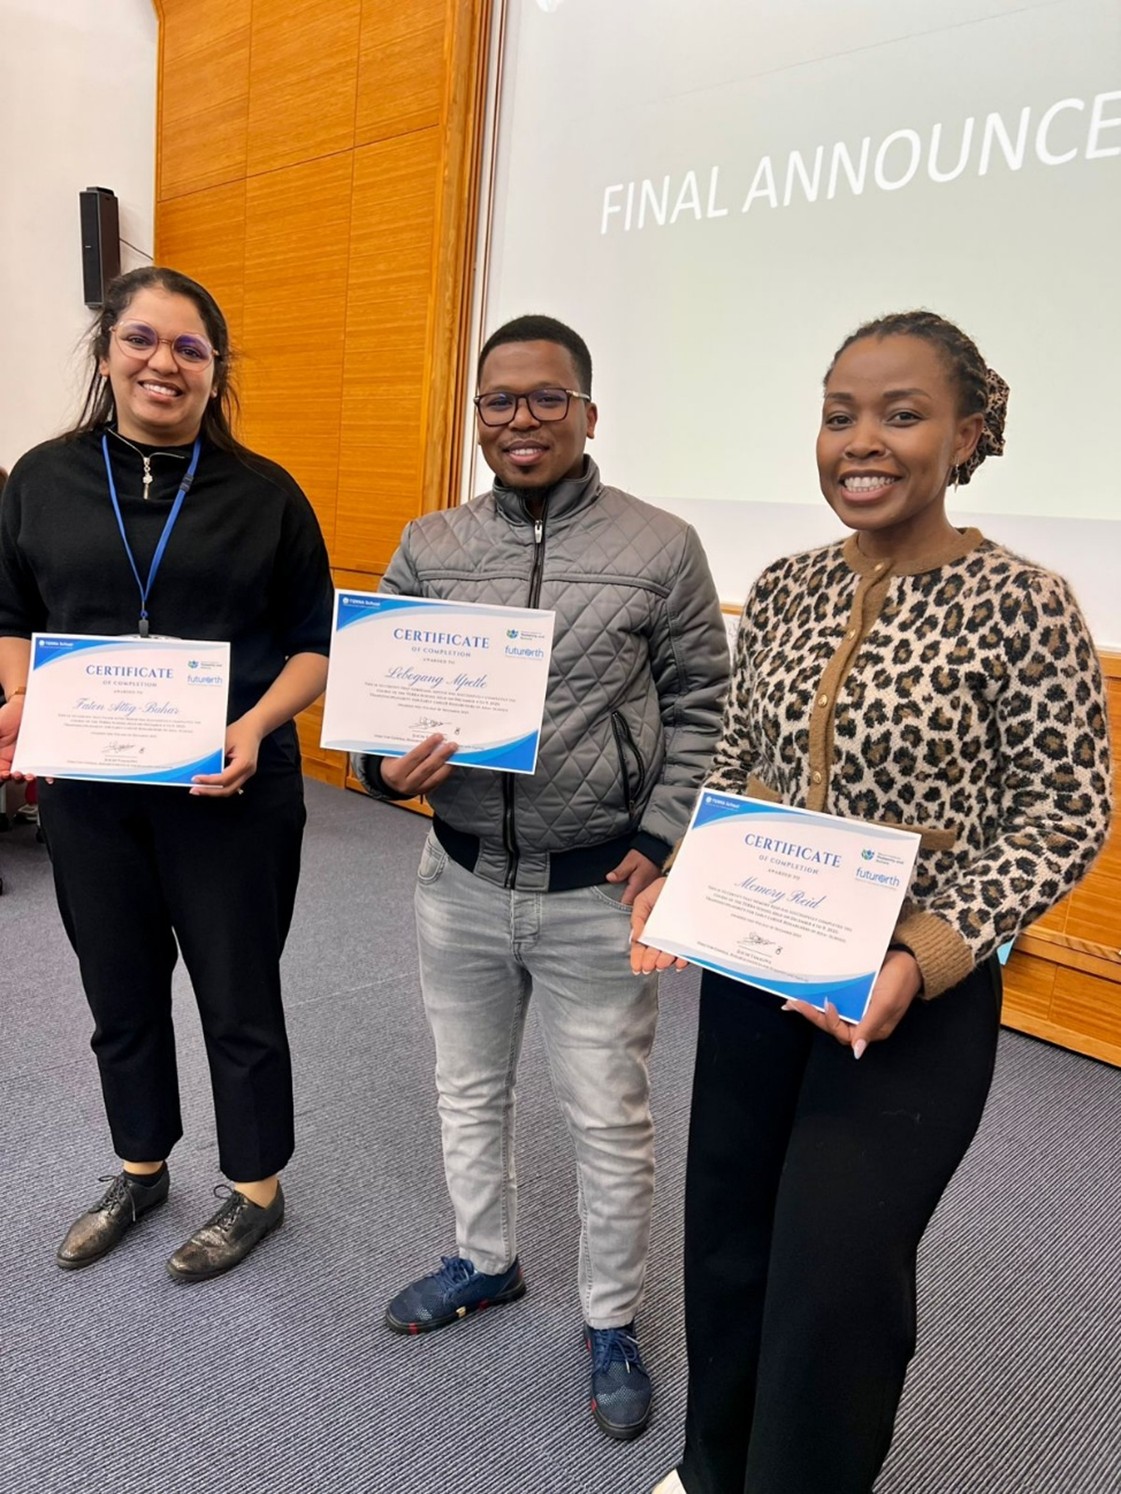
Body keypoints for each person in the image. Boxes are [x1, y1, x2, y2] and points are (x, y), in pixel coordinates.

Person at [634, 310, 1113, 1494]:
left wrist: (921, 955)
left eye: (900, 414)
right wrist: (679, 879)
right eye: (838, 412)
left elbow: (1062, 813)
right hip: (757, 973)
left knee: (835, 1280)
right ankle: (710, 1470)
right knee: (730, 1244)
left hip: (912, 1000)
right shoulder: (786, 584)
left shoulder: (1024, 601)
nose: (862, 440)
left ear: (965, 435)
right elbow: (731, 759)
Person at [354, 314, 729, 1439]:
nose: (519, 420)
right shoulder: (429, 545)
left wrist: (660, 840)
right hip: (460, 875)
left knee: (608, 1118)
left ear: (587, 413)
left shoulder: (660, 546)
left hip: (593, 892)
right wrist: (383, 768)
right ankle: (483, 1260)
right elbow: (375, 714)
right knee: (466, 1090)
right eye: (497, 403)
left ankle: (609, 1319)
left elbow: (708, 710)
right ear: (476, 420)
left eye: (543, 399)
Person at [0, 267, 333, 1282]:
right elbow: (12, 617)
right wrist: (20, 705)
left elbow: (314, 645)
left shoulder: (266, 493)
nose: (164, 363)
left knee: (238, 994)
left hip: (229, 793)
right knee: (121, 989)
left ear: (214, 372)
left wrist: (255, 725)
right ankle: (140, 1168)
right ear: (107, 353)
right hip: (92, 799)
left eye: (190, 349)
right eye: (143, 340)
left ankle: (255, 1190)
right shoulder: (41, 478)